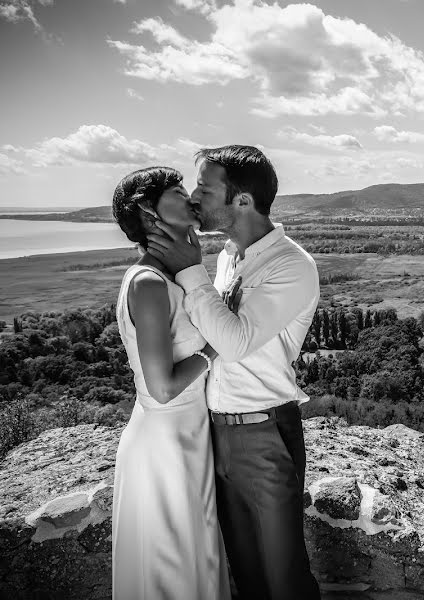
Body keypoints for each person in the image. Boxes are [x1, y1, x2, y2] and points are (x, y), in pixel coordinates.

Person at [146, 145, 322, 600]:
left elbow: (235, 342)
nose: (194, 198)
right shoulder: (227, 257)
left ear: (242, 201)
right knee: (246, 573)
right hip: (215, 433)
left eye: (205, 188)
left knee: (285, 578)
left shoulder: (291, 265)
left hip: (264, 432)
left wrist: (189, 271)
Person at [110, 167, 230, 600]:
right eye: (179, 193)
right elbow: (161, 387)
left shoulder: (172, 274)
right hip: (164, 442)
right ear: (148, 211)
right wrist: (213, 349)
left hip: (189, 434)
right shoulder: (147, 283)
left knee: (194, 560)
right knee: (173, 567)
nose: (191, 199)